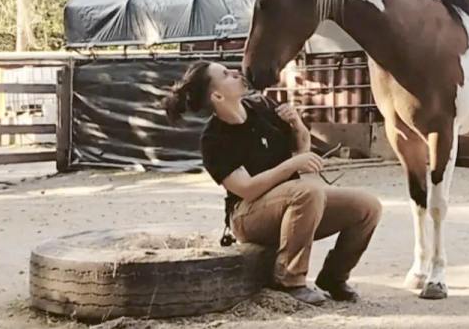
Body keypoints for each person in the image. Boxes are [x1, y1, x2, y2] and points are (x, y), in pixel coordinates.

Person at [162, 61, 382, 305]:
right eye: (226, 74)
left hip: (295, 202)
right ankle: (289, 279)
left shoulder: (262, 106)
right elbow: (246, 189)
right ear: (217, 95)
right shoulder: (214, 139)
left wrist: (297, 125)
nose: (236, 73)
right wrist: (291, 166)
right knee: (308, 191)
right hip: (248, 215)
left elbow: (301, 150)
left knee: (367, 206)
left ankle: (334, 277)